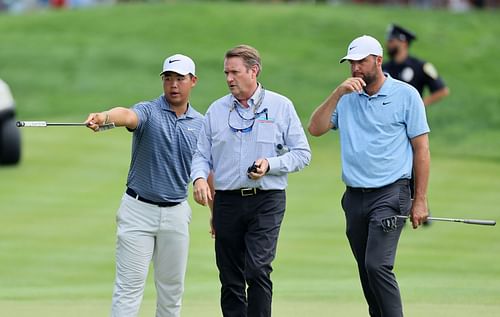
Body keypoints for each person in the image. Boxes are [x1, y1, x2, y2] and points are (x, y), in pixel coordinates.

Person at [308, 35, 430, 317]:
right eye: (351, 63)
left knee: (377, 265)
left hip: (391, 193)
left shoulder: (406, 95)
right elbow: (315, 128)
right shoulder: (346, 97)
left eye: (361, 62)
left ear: (377, 60)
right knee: (366, 269)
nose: (355, 69)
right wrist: (338, 94)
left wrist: (420, 199)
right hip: (354, 197)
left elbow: (421, 150)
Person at [191, 45, 311, 317]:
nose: (229, 78)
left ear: (253, 71)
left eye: (234, 72)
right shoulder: (216, 110)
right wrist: (199, 178)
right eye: (226, 72)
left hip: (266, 200)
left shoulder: (281, 106)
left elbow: (303, 154)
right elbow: (201, 155)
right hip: (227, 201)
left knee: (257, 270)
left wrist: (271, 165)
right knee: (230, 277)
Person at [85, 54, 203, 317]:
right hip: (138, 210)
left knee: (172, 291)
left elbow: (206, 170)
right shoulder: (148, 111)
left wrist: (216, 213)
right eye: (168, 78)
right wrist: (104, 117)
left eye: (180, 79)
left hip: (176, 213)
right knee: (128, 289)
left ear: (192, 81)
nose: (173, 84)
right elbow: (126, 116)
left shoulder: (201, 124)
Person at [383, 24, 449, 107]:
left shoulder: (420, 66)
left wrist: (418, 105)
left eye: (391, 41)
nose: (387, 44)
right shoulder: (384, 67)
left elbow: (442, 90)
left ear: (404, 43)